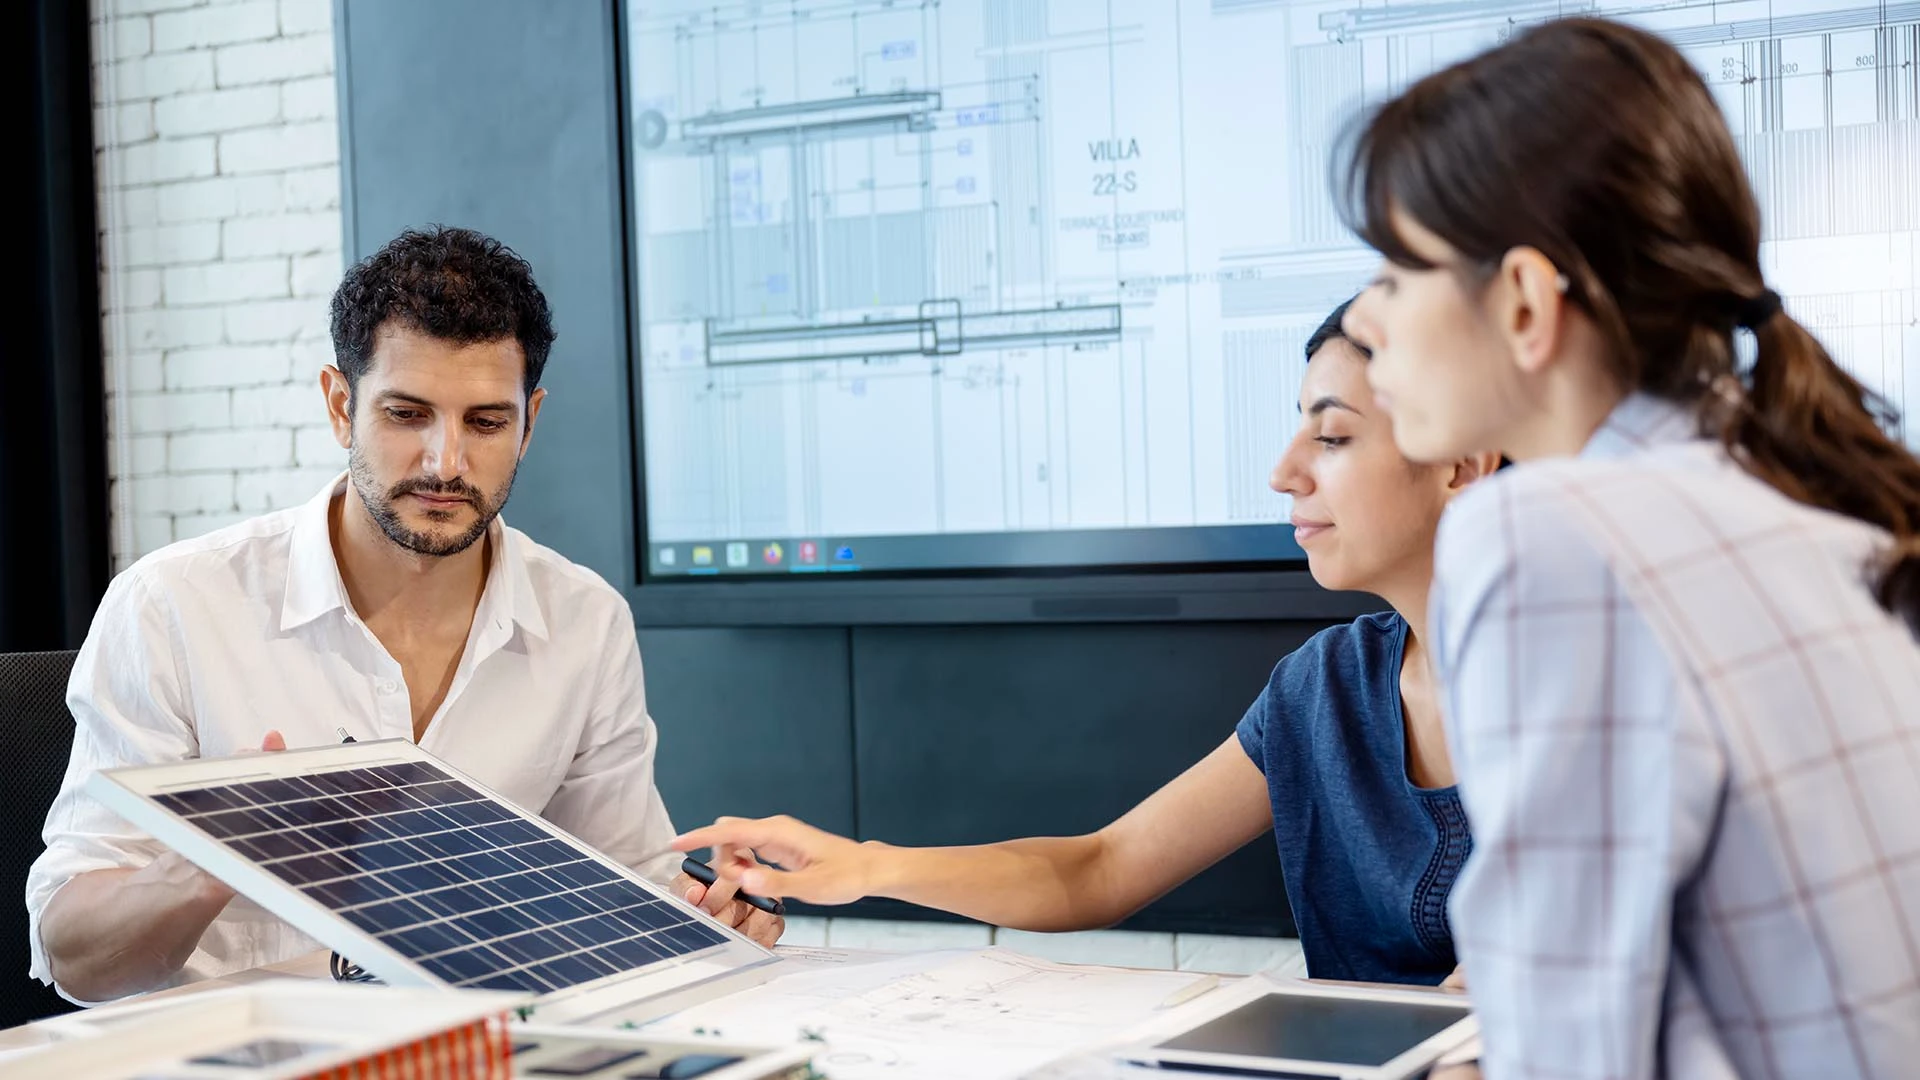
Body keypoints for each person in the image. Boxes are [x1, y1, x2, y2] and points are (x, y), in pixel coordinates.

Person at [1337, 17, 1920, 1078]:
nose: (1368, 323)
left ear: (1523, 302)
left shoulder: (1547, 535)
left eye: (1394, 273)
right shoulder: (1814, 504)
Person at [28, 226, 782, 1006]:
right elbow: (74, 955)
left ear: (531, 422)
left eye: (487, 422)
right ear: (339, 404)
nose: (445, 462)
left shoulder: (585, 621)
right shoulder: (174, 606)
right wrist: (204, 861)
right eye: (407, 414)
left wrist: (707, 915)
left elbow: (628, 891)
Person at [676, 300, 1501, 986]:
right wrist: (865, 867)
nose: (1285, 473)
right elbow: (1102, 868)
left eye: (1332, 437)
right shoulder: (1325, 687)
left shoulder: (1594, 696)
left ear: (1462, 461)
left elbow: (1510, 1001)